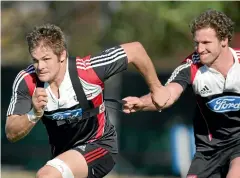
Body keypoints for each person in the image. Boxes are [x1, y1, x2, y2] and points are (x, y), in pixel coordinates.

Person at [5, 23, 162, 178]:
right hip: (63, 155)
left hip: (100, 146)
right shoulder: (27, 81)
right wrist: (34, 114)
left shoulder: (88, 71)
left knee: (47, 175)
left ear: (62, 55)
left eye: (46, 59)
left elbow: (135, 50)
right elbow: (11, 132)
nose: (40, 66)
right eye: (35, 60)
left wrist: (156, 89)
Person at [123, 9, 240, 178]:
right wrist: (142, 102)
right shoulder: (190, 67)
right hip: (209, 151)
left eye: (206, 42)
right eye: (196, 43)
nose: (200, 49)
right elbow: (168, 94)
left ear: (224, 40)